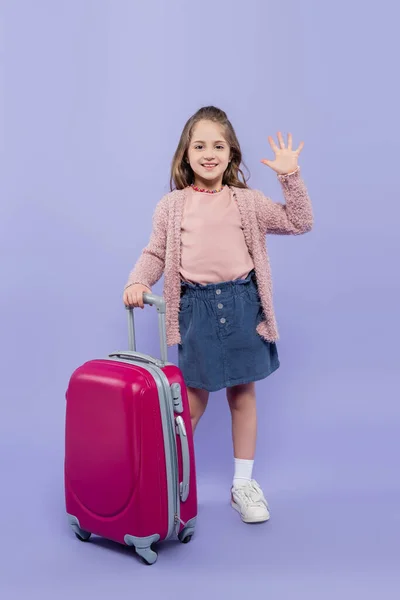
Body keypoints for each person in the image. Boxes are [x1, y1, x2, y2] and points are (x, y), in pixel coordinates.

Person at [123, 106, 313, 524]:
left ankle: (242, 484)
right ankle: (169, 479)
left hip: (243, 304)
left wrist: (290, 176)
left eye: (219, 145)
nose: (209, 153)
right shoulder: (172, 206)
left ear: (232, 154)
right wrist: (138, 281)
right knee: (190, 403)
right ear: (185, 154)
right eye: (200, 145)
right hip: (197, 308)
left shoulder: (247, 202)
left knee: (243, 396)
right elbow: (155, 252)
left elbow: (299, 221)